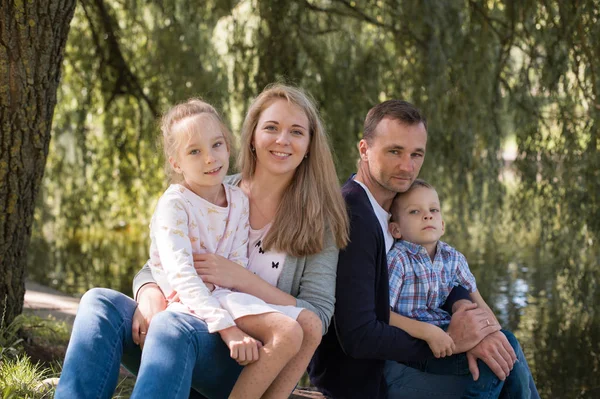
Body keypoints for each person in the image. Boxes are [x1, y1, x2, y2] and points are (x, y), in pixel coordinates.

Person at [55, 84, 349, 399]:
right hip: (186, 322)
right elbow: (161, 261)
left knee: (172, 326)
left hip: (246, 357)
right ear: (251, 136)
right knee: (99, 304)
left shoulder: (318, 222)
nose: (282, 140)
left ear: (309, 145)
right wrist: (149, 293)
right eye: (271, 128)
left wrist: (242, 279)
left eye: (296, 132)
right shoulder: (213, 187)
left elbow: (315, 317)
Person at [308, 99, 539, 399]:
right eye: (395, 151)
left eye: (416, 154)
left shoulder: (395, 209)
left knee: (505, 347)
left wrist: (465, 312)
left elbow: (433, 274)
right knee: (489, 375)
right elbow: (359, 335)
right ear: (364, 150)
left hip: (400, 355)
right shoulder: (354, 216)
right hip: (364, 377)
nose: (408, 166)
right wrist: (449, 340)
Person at [386, 178, 531, 398]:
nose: (428, 215)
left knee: (506, 343)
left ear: (442, 224)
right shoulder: (399, 260)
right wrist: (429, 333)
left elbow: (479, 303)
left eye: (434, 210)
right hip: (418, 348)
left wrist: (492, 335)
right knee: (493, 365)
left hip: (453, 340)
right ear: (396, 229)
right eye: (415, 212)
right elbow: (383, 314)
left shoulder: (453, 258)